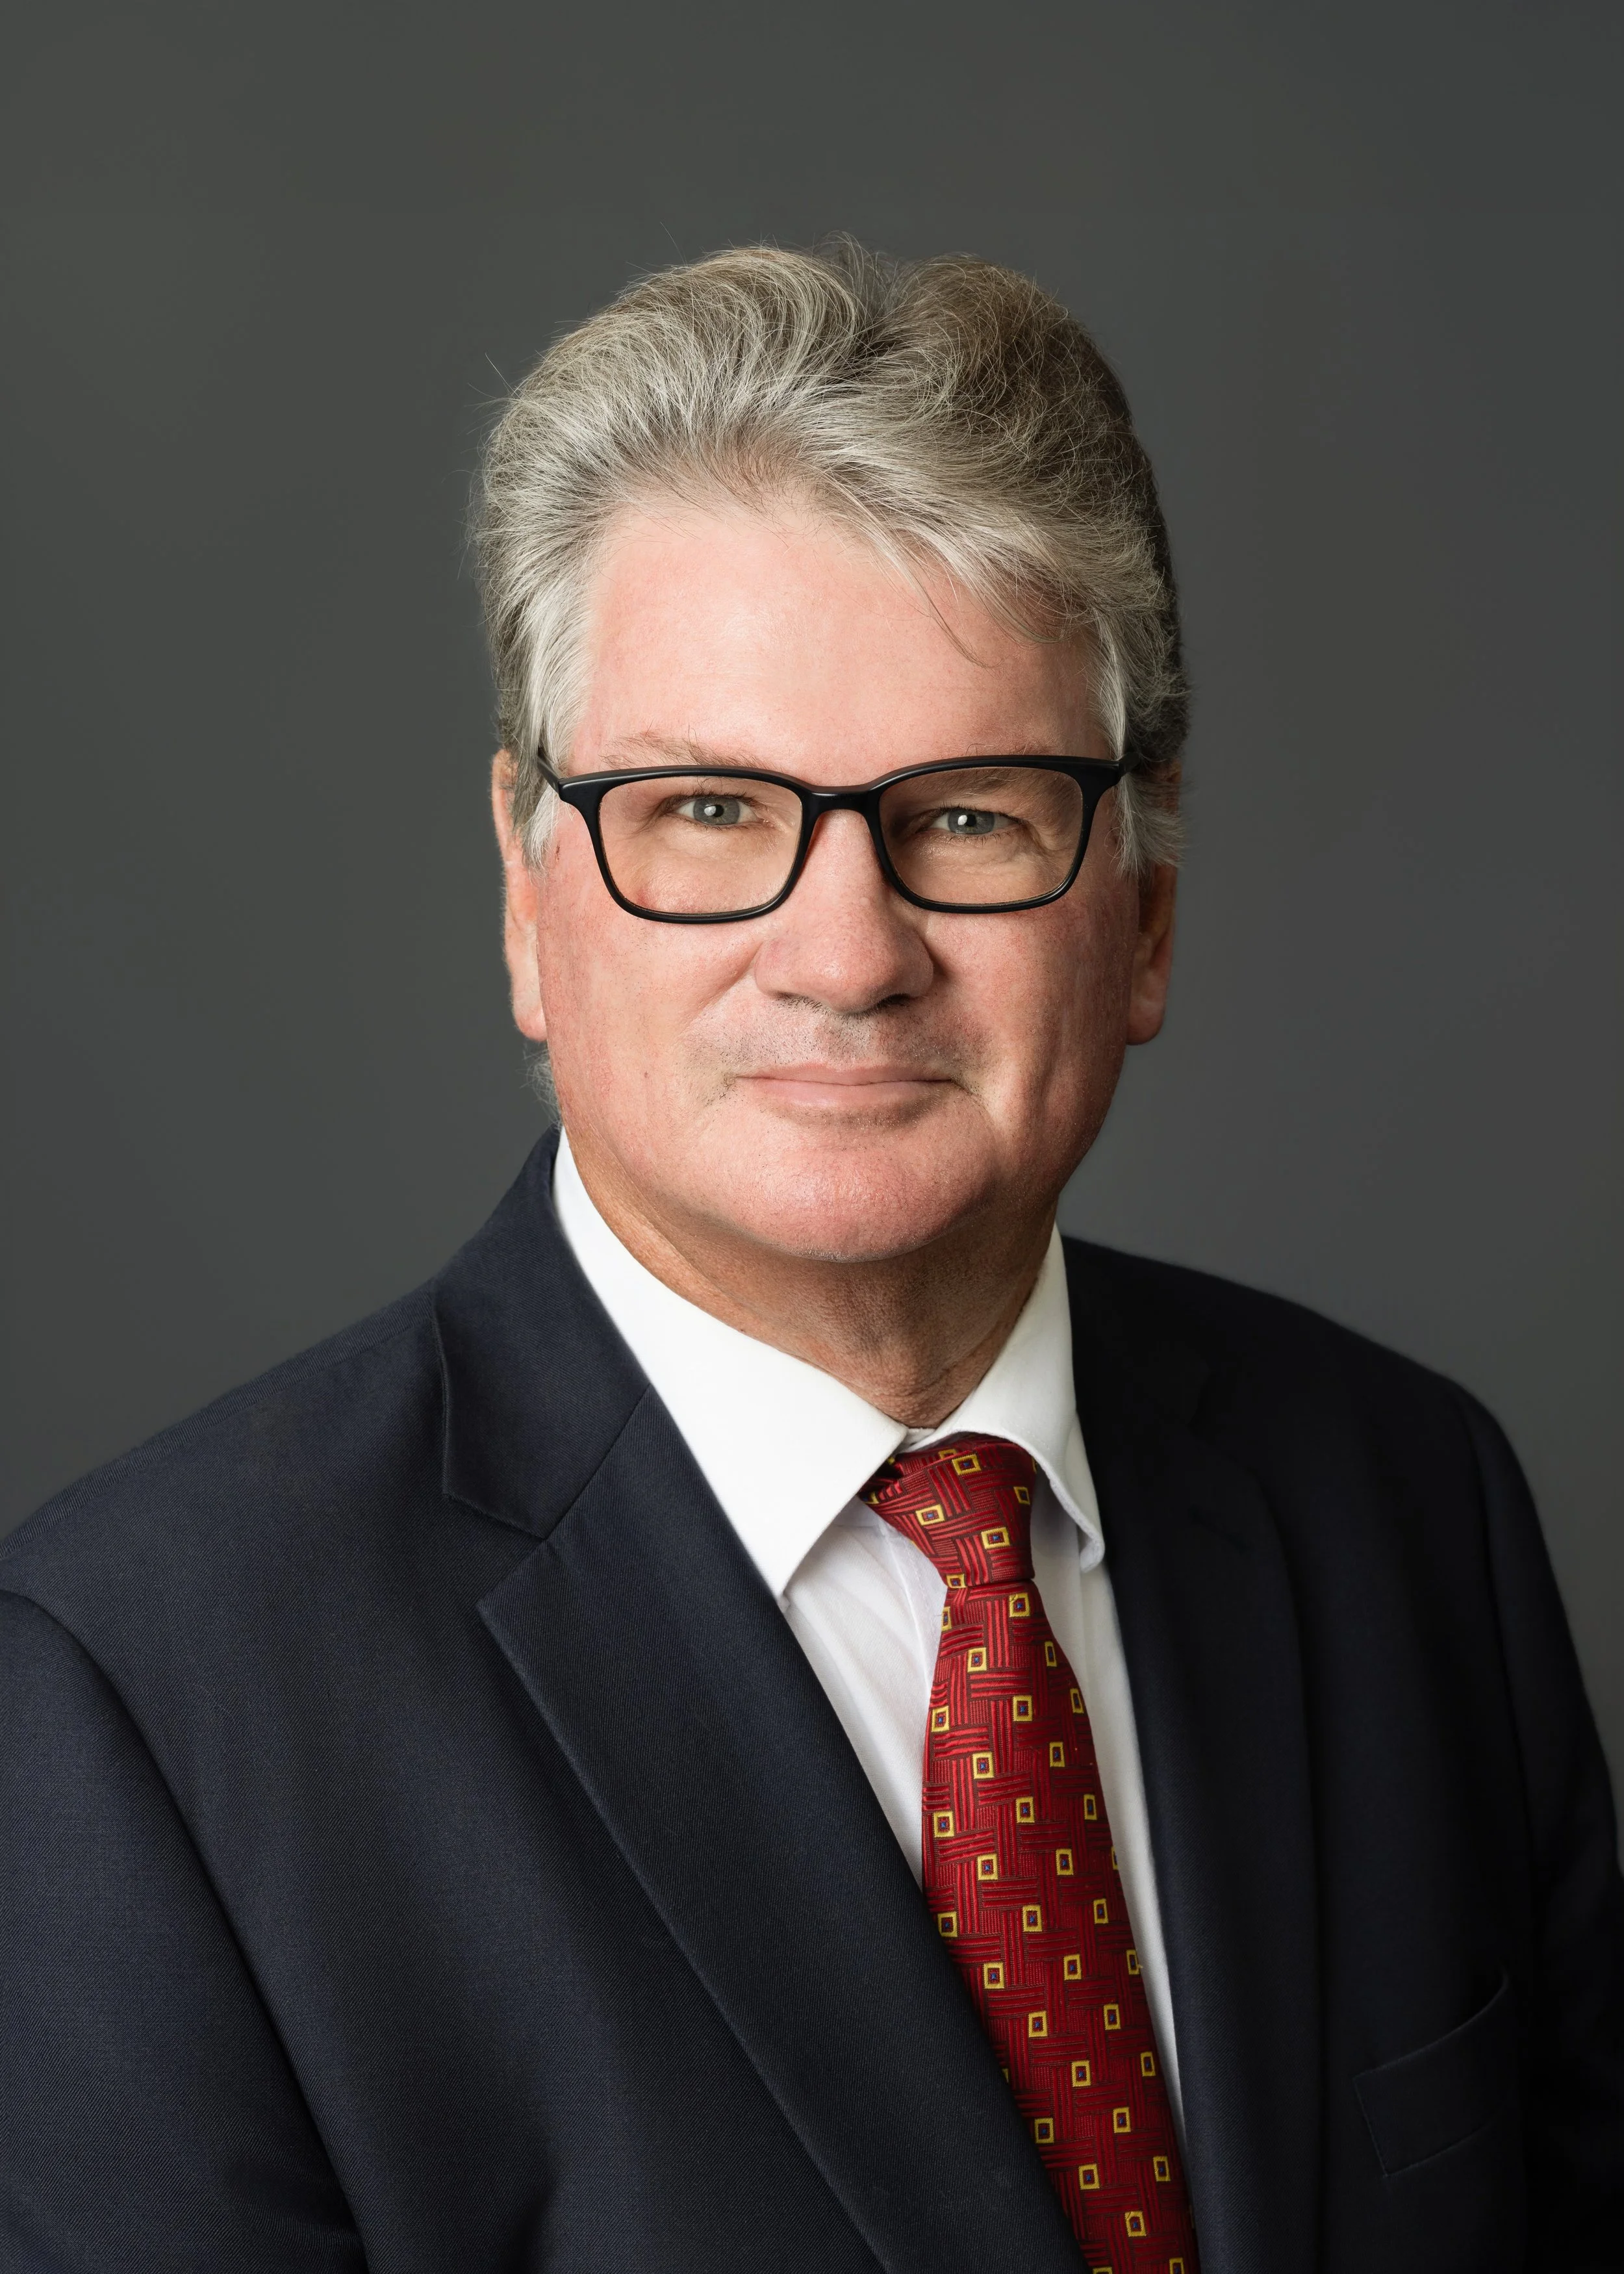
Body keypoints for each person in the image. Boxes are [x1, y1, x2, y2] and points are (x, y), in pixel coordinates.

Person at [1, 242, 1619, 2274]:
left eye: (965, 813)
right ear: (529, 895)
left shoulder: (1404, 1509)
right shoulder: (137, 1704)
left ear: (1145, 907)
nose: (846, 953)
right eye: (704, 809)